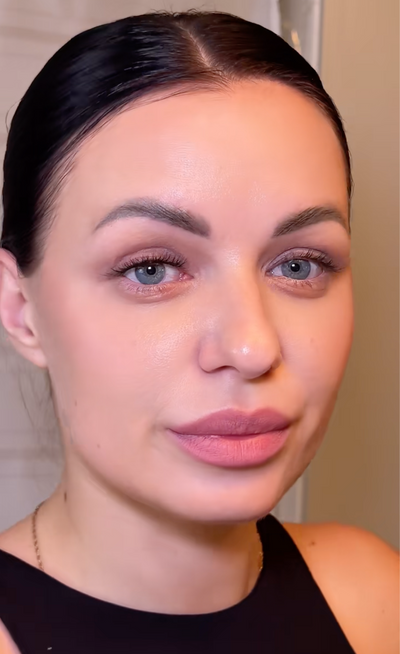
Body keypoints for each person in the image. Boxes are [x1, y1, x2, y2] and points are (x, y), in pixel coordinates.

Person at [0, 9, 398, 654]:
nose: (251, 347)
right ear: (21, 309)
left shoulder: (375, 600)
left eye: (299, 265)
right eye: (152, 269)